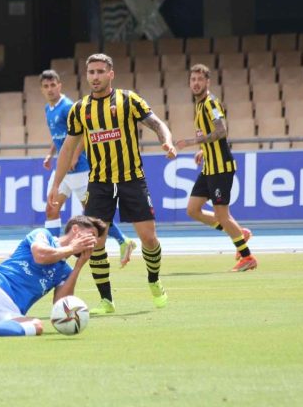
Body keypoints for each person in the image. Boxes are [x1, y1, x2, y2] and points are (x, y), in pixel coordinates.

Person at [48, 53, 176, 310]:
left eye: (99, 72)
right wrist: (55, 184)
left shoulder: (129, 100)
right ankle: (106, 300)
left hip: (132, 179)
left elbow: (156, 123)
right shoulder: (80, 109)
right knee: (93, 242)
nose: (95, 77)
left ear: (110, 74)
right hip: (99, 183)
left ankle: (153, 280)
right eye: (91, 72)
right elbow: (67, 149)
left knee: (149, 239)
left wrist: (167, 140)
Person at [39, 69, 137, 314]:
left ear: (60, 85)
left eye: (53, 85)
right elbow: (58, 135)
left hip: (81, 169)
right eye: (46, 86)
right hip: (65, 170)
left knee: (92, 216)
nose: (50, 89)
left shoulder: (69, 106)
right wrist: (52, 153)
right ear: (43, 89)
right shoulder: (48, 109)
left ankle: (123, 240)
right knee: (51, 207)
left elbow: (81, 132)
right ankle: (55, 252)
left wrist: (74, 155)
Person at [174, 64, 258, 272]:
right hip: (209, 167)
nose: (196, 83)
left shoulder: (210, 103)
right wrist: (203, 149)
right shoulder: (199, 105)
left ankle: (247, 257)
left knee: (222, 215)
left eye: (200, 80)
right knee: (193, 210)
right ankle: (237, 232)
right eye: (193, 80)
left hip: (221, 168)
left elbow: (221, 131)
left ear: (207, 82)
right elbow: (212, 135)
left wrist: (194, 142)